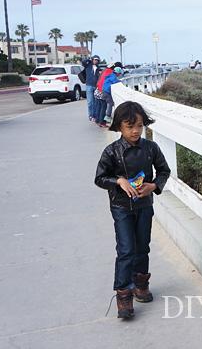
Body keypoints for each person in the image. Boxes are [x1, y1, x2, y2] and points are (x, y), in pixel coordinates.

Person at [94, 101, 171, 319]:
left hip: (144, 205)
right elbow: (99, 178)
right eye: (129, 126)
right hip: (121, 207)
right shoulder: (112, 151)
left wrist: (154, 186)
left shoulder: (151, 148)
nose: (135, 131)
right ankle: (123, 294)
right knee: (126, 249)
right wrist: (118, 180)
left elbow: (164, 170)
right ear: (119, 127)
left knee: (142, 246)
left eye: (139, 125)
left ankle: (140, 284)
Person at [81, 55, 100, 120]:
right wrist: (89, 59)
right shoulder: (88, 65)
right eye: (94, 59)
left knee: (95, 102)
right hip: (89, 85)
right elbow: (83, 62)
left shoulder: (98, 67)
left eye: (97, 60)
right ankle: (90, 115)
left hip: (95, 86)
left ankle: (94, 115)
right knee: (90, 102)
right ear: (92, 59)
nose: (95, 61)